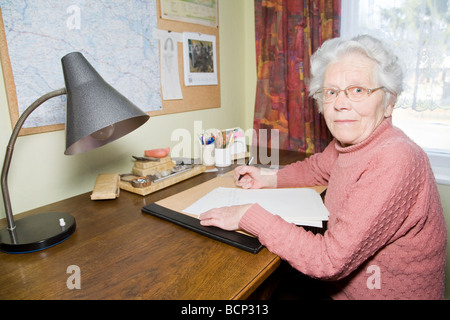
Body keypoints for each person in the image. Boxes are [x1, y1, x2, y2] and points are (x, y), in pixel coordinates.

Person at [199, 35, 447, 300]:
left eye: (358, 90)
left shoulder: (396, 157)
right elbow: (317, 168)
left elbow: (329, 260)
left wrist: (247, 214)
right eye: (331, 92)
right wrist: (268, 179)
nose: (340, 103)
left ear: (389, 102)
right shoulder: (351, 142)